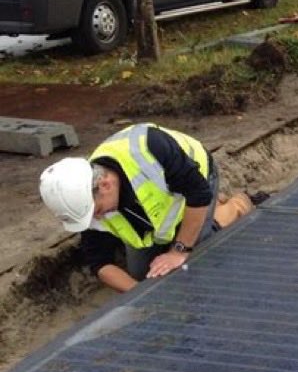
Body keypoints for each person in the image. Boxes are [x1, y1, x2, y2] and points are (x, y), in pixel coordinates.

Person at [39, 123, 256, 293]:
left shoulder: (151, 149)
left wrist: (179, 251)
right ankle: (199, 221)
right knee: (145, 275)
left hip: (197, 185)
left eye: (97, 211)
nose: (97, 217)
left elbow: (198, 194)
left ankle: (235, 206)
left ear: (104, 185)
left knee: (196, 259)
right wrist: (142, 294)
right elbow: (100, 263)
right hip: (157, 215)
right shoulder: (85, 200)